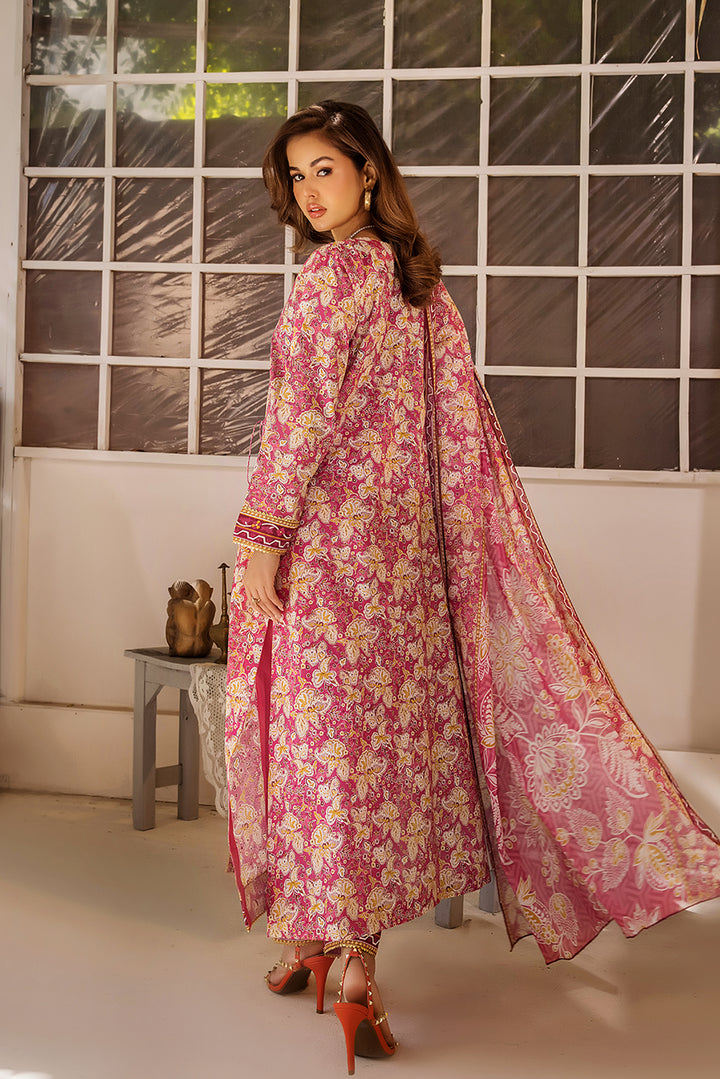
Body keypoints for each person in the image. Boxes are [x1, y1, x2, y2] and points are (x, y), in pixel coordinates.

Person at [225, 100, 720, 1074]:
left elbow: (301, 419)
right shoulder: (417, 282)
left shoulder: (331, 277)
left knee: (321, 754)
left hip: (331, 558)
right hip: (407, 564)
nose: (309, 192)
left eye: (326, 169)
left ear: (369, 172)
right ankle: (336, 951)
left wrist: (263, 536)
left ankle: (337, 956)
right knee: (375, 759)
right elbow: (443, 434)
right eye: (297, 175)